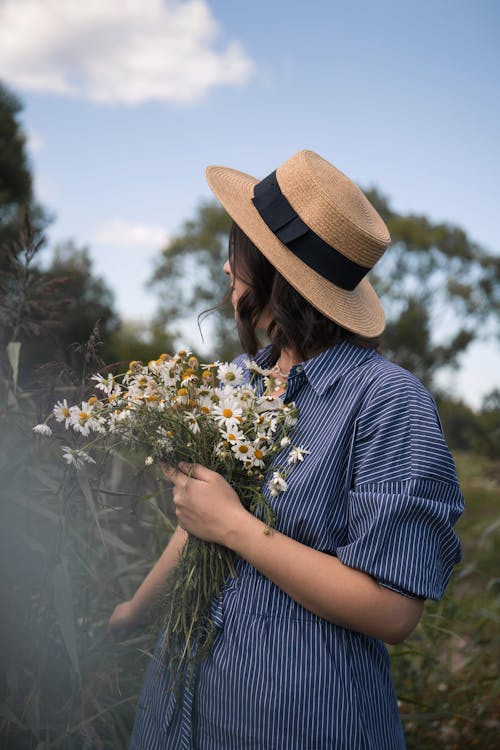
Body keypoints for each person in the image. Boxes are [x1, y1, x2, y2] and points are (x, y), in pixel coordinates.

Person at [109, 150, 464, 749]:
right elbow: (203, 516)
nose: (227, 269)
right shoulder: (238, 380)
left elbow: (394, 611)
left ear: (276, 274)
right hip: (182, 705)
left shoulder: (387, 401)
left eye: (238, 253)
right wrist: (135, 610)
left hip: (296, 717)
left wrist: (238, 528)